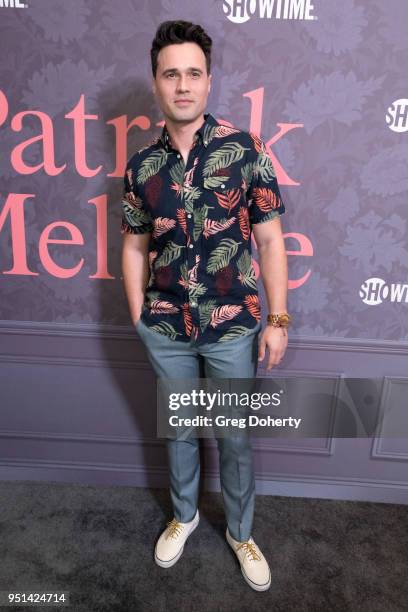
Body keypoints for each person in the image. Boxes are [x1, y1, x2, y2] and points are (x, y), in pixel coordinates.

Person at [121, 20, 290, 592]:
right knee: (180, 433)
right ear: (156, 84)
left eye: (194, 73)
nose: (183, 85)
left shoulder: (246, 150)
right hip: (165, 325)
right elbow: (133, 244)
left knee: (234, 437)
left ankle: (241, 532)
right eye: (172, 74)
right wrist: (137, 315)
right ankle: (185, 516)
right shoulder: (142, 165)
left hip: (233, 326)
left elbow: (269, 240)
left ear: (209, 81)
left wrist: (278, 319)